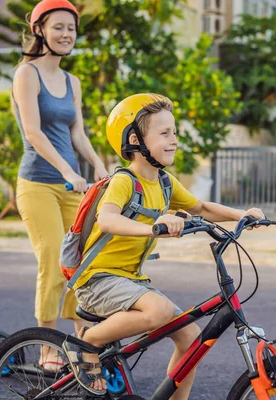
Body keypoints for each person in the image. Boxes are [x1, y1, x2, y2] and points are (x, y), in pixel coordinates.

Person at [61, 93, 264, 397]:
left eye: (175, 133)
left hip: (129, 280)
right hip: (97, 280)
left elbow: (201, 207)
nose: (174, 140)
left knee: (191, 339)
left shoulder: (165, 181)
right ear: (134, 139)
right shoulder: (125, 181)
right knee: (160, 309)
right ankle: (87, 342)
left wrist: (243, 214)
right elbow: (107, 219)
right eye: (165, 133)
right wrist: (152, 228)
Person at [12, 0, 108, 370]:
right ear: (39, 30)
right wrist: (68, 171)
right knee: (53, 262)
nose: (66, 34)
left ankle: (83, 342)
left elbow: (77, 132)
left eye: (71, 28)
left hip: (72, 188)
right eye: (58, 27)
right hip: (38, 184)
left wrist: (98, 165)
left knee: (81, 265)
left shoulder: (73, 82)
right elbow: (34, 132)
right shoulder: (27, 74)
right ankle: (47, 348)